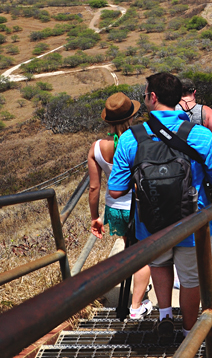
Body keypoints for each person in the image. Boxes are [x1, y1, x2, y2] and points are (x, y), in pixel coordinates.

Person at [108, 73, 212, 337]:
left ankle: (165, 315)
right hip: (192, 224)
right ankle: (188, 332)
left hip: (151, 225)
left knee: (160, 266)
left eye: (144, 94)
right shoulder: (200, 135)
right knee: (191, 280)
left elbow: (116, 190)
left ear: (153, 98)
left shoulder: (132, 138)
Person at [87, 92, 152, 320]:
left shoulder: (96, 148)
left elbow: (94, 188)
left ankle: (136, 298)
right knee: (144, 253)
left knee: (130, 248)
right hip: (139, 205)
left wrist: (95, 217)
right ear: (131, 117)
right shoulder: (139, 139)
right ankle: (136, 305)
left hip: (114, 207)